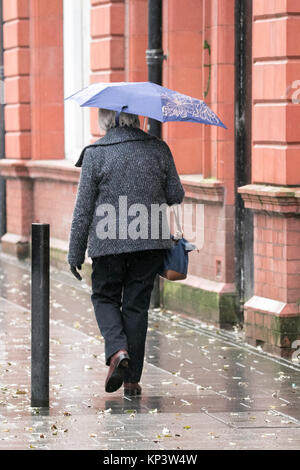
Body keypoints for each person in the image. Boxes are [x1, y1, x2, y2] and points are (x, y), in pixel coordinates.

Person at [67, 108, 185, 396]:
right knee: (136, 306)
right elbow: (176, 194)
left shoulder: (96, 153)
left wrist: (75, 253)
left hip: (108, 244)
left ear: (106, 121)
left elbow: (83, 210)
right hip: (149, 242)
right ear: (138, 118)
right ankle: (131, 381)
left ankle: (118, 350)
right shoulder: (158, 148)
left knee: (104, 296)